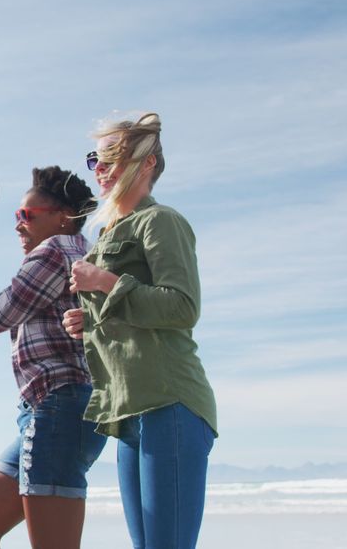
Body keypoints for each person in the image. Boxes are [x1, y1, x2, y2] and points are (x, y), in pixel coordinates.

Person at [63, 112, 217, 549]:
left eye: (112, 157)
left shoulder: (160, 221)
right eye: (95, 157)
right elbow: (132, 315)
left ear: (146, 163)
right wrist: (88, 321)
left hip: (169, 402)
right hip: (128, 409)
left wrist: (104, 283)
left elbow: (182, 307)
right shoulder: (111, 231)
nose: (99, 168)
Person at [0, 166, 105, 549]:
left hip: (59, 408)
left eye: (26, 216)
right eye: (16, 216)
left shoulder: (56, 251)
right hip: (48, 412)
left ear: (63, 218)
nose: (18, 225)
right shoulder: (78, 252)